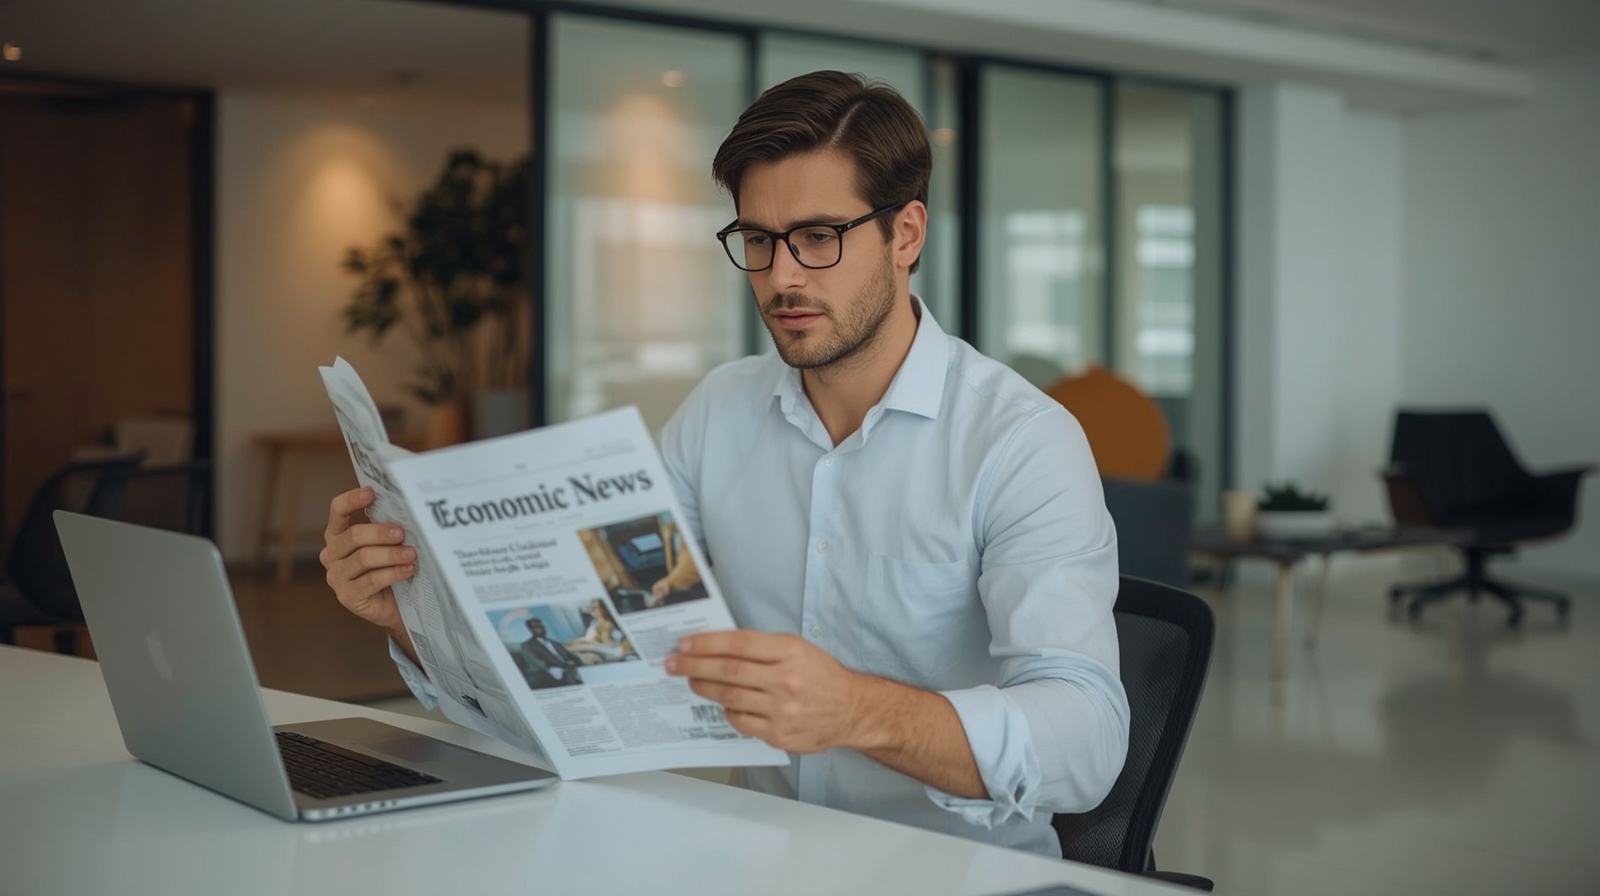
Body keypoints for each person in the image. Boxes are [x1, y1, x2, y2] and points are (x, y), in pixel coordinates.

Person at [319, 70, 1127, 857]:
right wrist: (412, 620)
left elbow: (1088, 743)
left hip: (957, 873)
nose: (781, 277)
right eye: (758, 240)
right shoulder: (720, 410)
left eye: (819, 237)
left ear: (905, 234)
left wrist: (857, 711)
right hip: (759, 859)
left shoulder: (1020, 442)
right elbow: (591, 662)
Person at [512, 617, 584, 689]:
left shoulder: (555, 643)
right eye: (537, 627)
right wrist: (552, 666)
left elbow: (568, 655)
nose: (541, 628)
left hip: (567, 668)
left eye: (542, 626)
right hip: (548, 671)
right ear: (531, 630)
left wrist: (577, 661)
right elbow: (534, 661)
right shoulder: (527, 645)